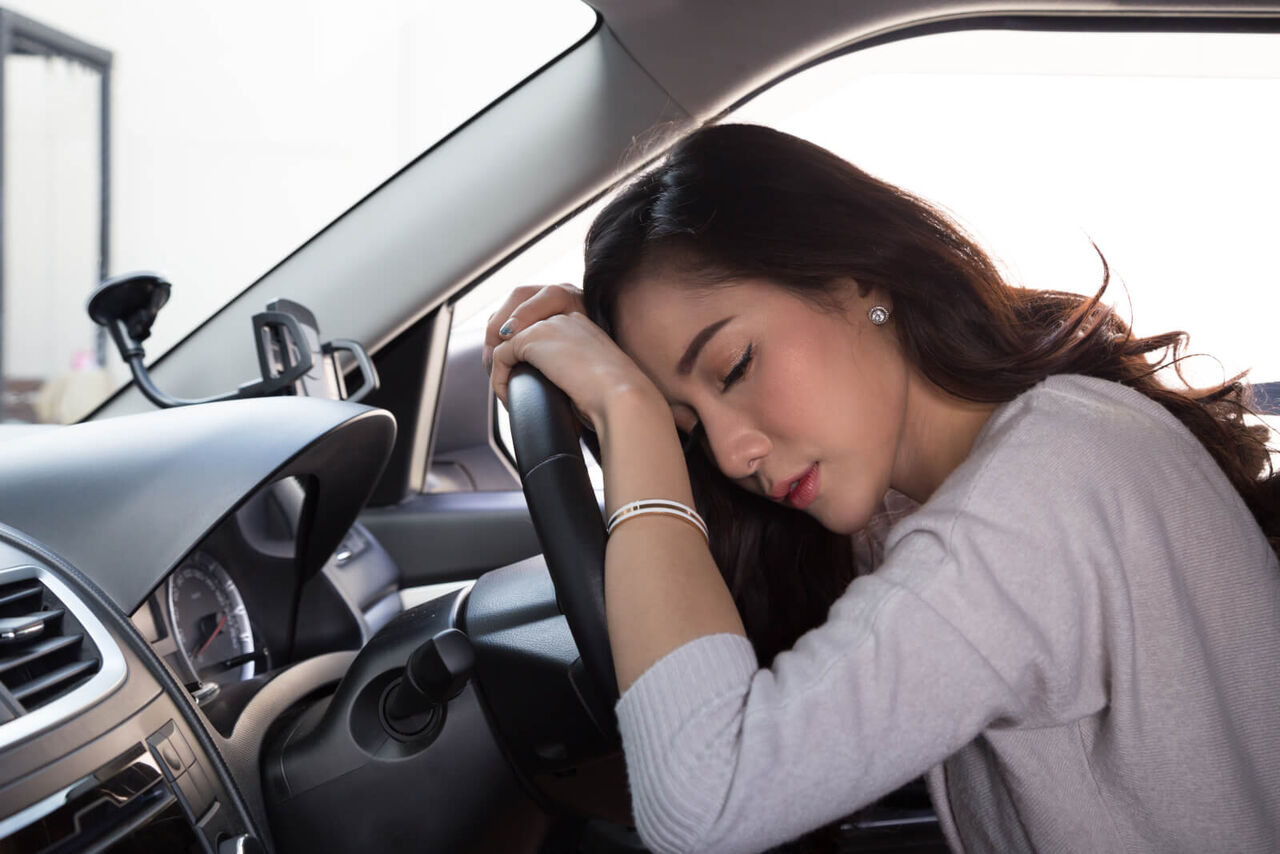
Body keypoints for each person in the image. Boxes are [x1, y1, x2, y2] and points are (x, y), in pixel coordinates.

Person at [484, 124, 1280, 854]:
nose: (730, 454)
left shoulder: (1040, 497)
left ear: (860, 279)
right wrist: (612, 393)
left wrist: (630, 414)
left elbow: (702, 803)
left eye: (735, 367)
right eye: (687, 422)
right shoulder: (950, 479)